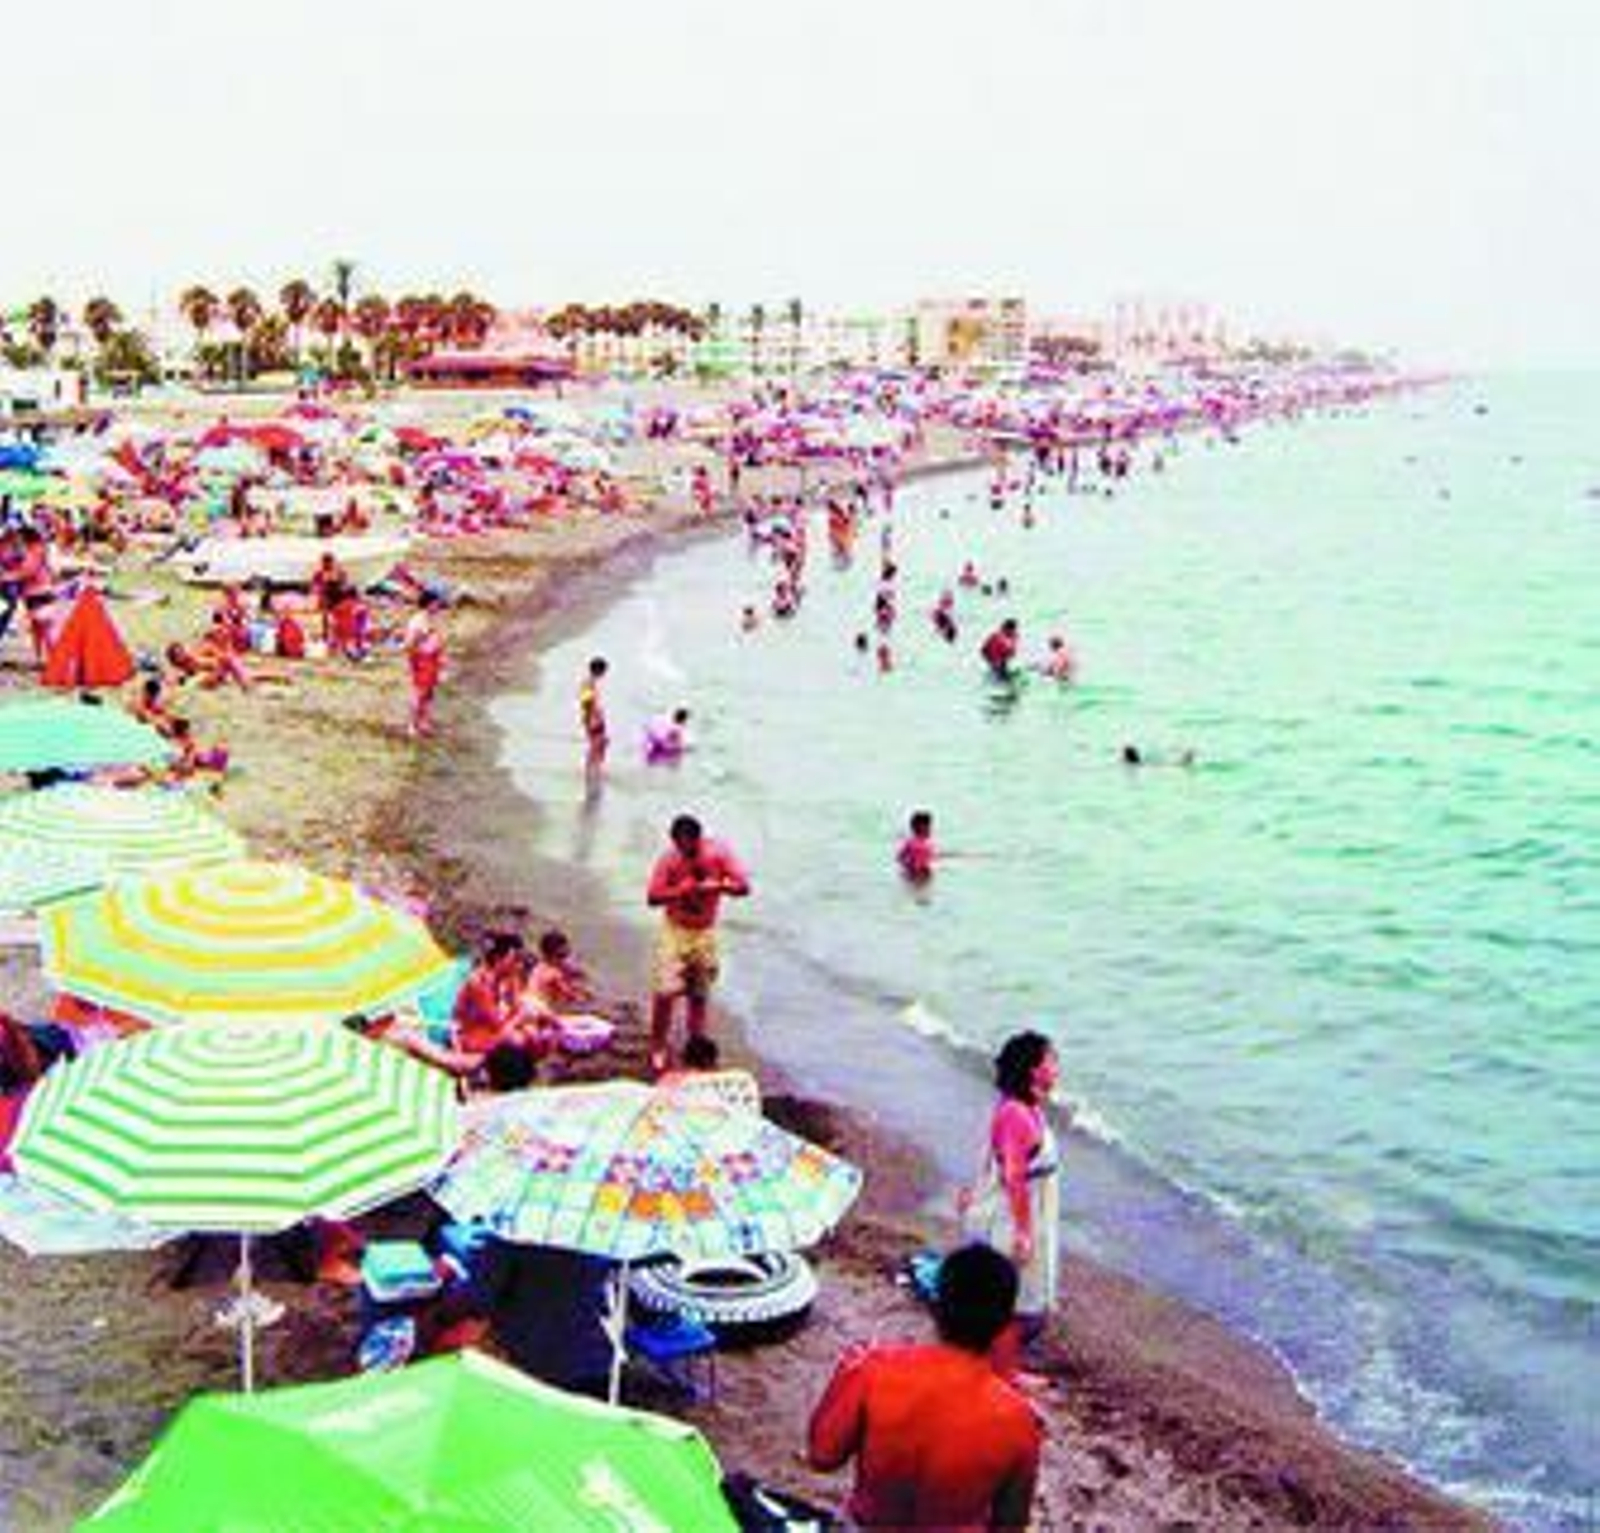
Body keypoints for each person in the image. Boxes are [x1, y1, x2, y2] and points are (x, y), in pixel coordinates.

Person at [807, 1242, 1042, 1531]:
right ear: (1004, 1324)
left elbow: (821, 1457)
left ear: (936, 1306)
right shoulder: (1020, 1421)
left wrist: (844, 1374)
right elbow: (1010, 1525)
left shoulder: (873, 1369)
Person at [960, 1033, 1063, 1350]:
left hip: (1029, 1212)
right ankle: (998, 1371)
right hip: (1010, 1218)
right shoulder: (1016, 1114)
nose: (1057, 1068)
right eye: (1052, 1061)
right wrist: (1022, 1233)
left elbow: (996, 1158)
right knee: (1018, 1306)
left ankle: (1004, 1368)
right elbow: (1013, 1177)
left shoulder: (1028, 1107)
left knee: (1025, 1300)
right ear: (1034, 1069)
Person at [645, 813, 750, 1075]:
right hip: (675, 930)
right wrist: (680, 890)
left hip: (704, 932)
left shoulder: (718, 853)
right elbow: (653, 896)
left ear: (698, 840)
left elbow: (743, 886)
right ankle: (658, 1045)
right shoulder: (669, 860)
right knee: (665, 993)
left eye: (688, 846)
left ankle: (695, 1051)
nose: (683, 851)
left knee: (698, 994)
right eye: (678, 845)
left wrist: (717, 885)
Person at [403, 592, 447, 738]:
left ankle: (423, 721)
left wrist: (441, 659)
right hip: (422, 659)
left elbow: (439, 640)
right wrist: (416, 661)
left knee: (428, 694)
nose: (438, 606)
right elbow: (410, 644)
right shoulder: (417, 620)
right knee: (419, 693)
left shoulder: (433, 618)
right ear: (428, 603)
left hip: (432, 658)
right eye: (436, 603)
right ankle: (412, 724)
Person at [579, 656, 609, 781]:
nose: (604, 674)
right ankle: (592, 770)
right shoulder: (588, 683)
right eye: (604, 671)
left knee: (601, 743)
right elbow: (587, 702)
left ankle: (595, 768)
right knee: (597, 744)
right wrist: (592, 718)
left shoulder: (590, 682)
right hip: (593, 717)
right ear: (599, 670)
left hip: (594, 716)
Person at [897, 810, 938, 884]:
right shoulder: (911, 843)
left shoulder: (926, 844)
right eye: (926, 827)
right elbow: (900, 857)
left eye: (928, 827)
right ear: (915, 829)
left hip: (924, 872)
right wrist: (909, 866)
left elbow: (900, 858)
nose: (929, 830)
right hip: (915, 872)